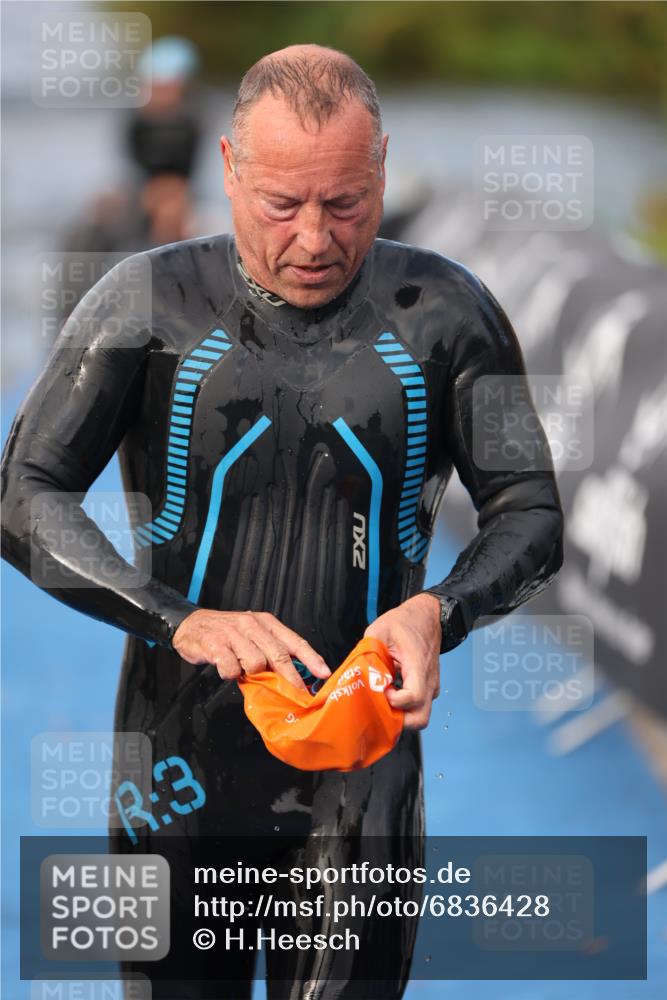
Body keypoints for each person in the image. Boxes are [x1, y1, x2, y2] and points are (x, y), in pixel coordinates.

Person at [1, 45, 563, 999]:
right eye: (280, 205)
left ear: (381, 168)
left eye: (344, 203)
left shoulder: (453, 314)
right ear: (226, 169)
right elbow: (24, 495)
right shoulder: (144, 301)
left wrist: (441, 610)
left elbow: (532, 514)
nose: (313, 238)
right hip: (175, 762)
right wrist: (173, 617)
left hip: (363, 766)